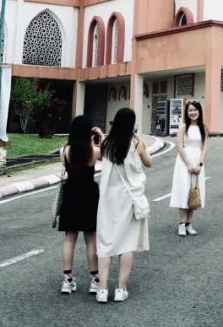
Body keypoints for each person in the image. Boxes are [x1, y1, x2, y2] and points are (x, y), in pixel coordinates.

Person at [96, 108, 152, 303]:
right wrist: (138, 140)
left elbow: (97, 156)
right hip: (129, 200)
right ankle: (121, 289)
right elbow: (148, 163)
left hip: (108, 200)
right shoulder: (136, 143)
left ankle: (102, 290)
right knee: (126, 244)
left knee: (106, 244)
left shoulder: (106, 144)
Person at [57, 116, 103, 295]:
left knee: (69, 238)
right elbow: (108, 155)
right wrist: (100, 137)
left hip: (70, 193)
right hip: (89, 194)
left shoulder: (64, 150)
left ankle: (67, 280)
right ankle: (94, 279)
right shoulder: (94, 151)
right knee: (91, 238)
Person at [170, 100, 207, 236]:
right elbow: (179, 146)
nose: (193, 112)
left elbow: (204, 148)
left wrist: (199, 164)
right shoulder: (183, 127)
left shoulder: (203, 127)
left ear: (199, 111)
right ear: (187, 112)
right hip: (183, 163)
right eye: (190, 110)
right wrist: (188, 165)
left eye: (195, 110)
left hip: (197, 162)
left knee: (194, 193)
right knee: (184, 191)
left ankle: (188, 223)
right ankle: (181, 224)